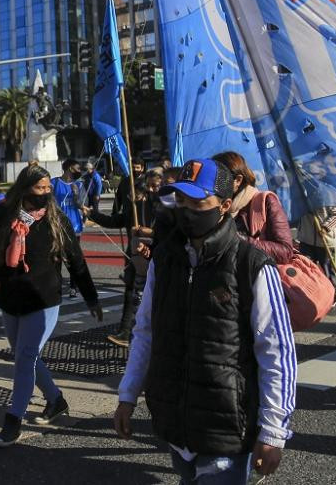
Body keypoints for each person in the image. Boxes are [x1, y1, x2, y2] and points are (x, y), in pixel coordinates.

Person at [114, 159, 297, 484]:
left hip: (226, 425)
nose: (186, 210)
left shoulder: (250, 265)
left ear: (225, 205)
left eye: (198, 202)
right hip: (175, 422)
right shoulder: (165, 260)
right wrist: (127, 395)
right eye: (180, 200)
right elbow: (145, 332)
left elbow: (277, 352)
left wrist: (273, 431)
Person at [0, 164, 102, 447]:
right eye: (39, 189)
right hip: (10, 298)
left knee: (25, 357)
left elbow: (77, 262)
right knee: (25, 355)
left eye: (48, 189)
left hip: (44, 299)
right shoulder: (1, 215)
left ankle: (13, 421)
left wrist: (91, 298)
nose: (45, 194)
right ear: (24, 188)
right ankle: (56, 400)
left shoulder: (56, 219)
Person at [84, 156, 156, 347]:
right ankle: (125, 331)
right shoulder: (131, 208)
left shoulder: (159, 208)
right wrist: (92, 214)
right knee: (131, 292)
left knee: (148, 294)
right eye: (128, 195)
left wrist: (144, 231)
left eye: (135, 195)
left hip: (152, 253)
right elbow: (115, 220)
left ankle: (144, 332)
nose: (131, 198)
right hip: (134, 253)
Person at [214, 151, 295, 265]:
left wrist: (239, 239)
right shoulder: (215, 205)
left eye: (219, 179)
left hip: (260, 276)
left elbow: (285, 252)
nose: (213, 184)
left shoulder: (266, 201)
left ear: (238, 180)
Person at [51, 159, 86, 298]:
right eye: (77, 168)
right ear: (70, 168)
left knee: (73, 258)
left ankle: (73, 287)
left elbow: (80, 205)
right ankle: (56, 287)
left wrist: (77, 194)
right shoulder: (54, 183)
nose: (79, 170)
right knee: (56, 258)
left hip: (75, 226)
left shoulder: (79, 184)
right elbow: (49, 202)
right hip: (57, 225)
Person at [297, 204, 336, 290]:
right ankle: (313, 294)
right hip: (306, 239)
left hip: (326, 241)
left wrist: (325, 228)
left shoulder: (330, 194)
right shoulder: (301, 192)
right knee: (307, 270)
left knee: (329, 271)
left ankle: (332, 294)